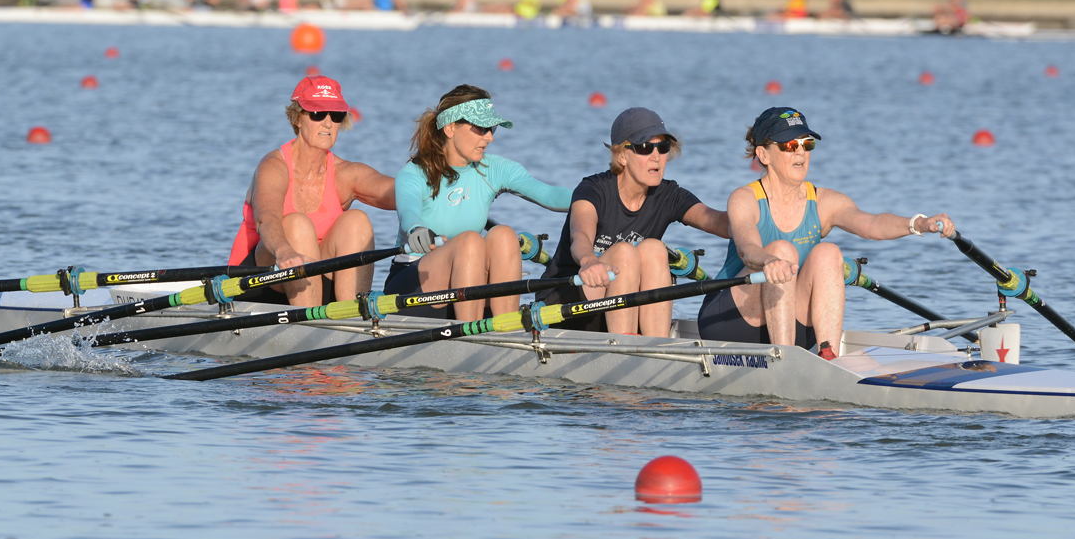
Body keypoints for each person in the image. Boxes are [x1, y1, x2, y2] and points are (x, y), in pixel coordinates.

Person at [697, 106, 955, 357]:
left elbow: (871, 224)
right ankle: (786, 361)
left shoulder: (826, 202)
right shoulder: (744, 198)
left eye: (807, 144)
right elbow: (747, 248)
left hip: (792, 318)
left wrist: (919, 224)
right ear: (764, 155)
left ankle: (828, 353)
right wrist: (770, 261)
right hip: (732, 321)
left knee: (829, 253)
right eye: (789, 146)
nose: (801, 153)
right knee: (781, 250)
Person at [386, 84, 570, 321]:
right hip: (413, 286)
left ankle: (507, 328)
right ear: (451, 128)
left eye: (492, 129)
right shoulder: (414, 173)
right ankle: (470, 329)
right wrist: (416, 229)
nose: (490, 138)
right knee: (470, 241)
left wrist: (601, 193)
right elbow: (409, 210)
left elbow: (551, 196)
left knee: (503, 235)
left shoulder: (493, 169)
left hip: (465, 284)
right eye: (481, 129)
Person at [540, 107, 729, 337]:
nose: (656, 156)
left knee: (653, 248)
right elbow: (581, 235)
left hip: (618, 306)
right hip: (568, 304)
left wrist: (764, 209)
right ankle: (626, 346)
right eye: (644, 147)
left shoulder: (669, 195)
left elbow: (719, 222)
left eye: (663, 147)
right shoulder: (592, 189)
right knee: (624, 253)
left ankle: (656, 346)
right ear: (621, 156)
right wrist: (589, 260)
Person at [228, 75, 396, 306]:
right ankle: (310, 322)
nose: (327, 123)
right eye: (318, 114)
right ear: (298, 118)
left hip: (316, 276)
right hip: (265, 277)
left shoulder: (345, 173)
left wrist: (443, 179)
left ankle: (352, 320)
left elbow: (401, 193)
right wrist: (284, 251)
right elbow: (266, 219)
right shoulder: (273, 166)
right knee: (297, 224)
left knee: (357, 220)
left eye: (336, 116)